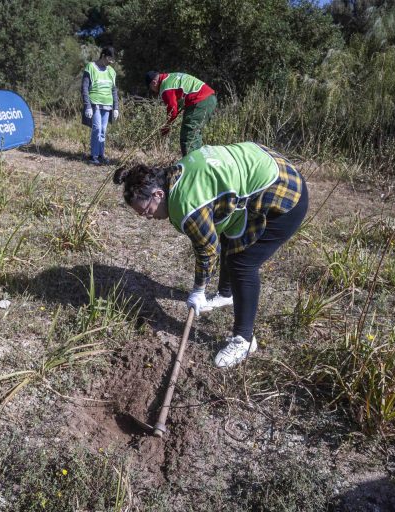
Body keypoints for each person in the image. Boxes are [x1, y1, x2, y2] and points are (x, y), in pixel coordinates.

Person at [112, 142, 308, 368]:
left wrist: (199, 290)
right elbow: (215, 231)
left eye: (146, 211)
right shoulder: (176, 172)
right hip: (272, 167)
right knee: (228, 239)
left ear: (158, 194)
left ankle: (244, 340)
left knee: (242, 263)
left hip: (286, 193)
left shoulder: (186, 205)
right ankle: (226, 294)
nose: (148, 217)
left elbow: (207, 249)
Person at [145, 71, 217, 156]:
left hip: (201, 99)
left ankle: (190, 162)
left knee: (188, 134)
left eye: (150, 88)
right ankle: (200, 159)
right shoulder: (170, 78)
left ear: (154, 83)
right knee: (194, 133)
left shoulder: (165, 87)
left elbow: (172, 109)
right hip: (208, 98)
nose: (153, 91)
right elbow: (178, 105)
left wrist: (167, 127)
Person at [81, 46, 120, 165]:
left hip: (107, 105)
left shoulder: (111, 71)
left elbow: (114, 90)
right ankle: (93, 156)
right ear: (103, 56)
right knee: (97, 129)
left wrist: (116, 108)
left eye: (113, 60)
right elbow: (84, 87)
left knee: (103, 130)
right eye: (109, 59)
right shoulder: (90, 67)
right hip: (95, 103)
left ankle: (101, 155)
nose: (111, 62)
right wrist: (87, 105)